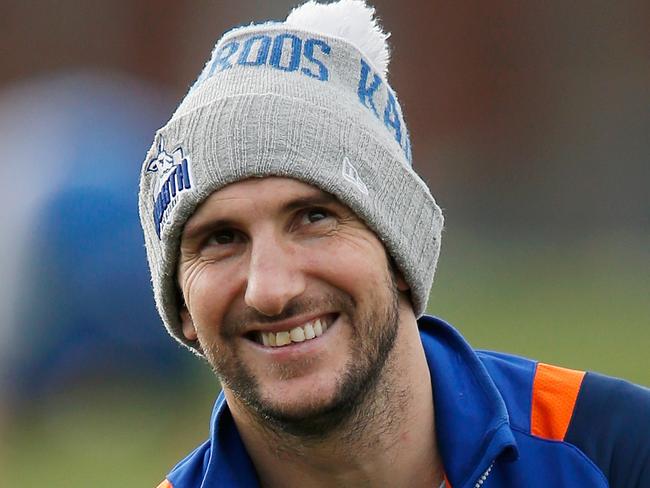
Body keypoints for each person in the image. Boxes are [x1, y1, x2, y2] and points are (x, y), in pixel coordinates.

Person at [139, 1, 650, 487]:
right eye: (221, 239)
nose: (271, 290)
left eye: (314, 217)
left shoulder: (613, 455)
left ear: (400, 250)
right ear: (182, 304)